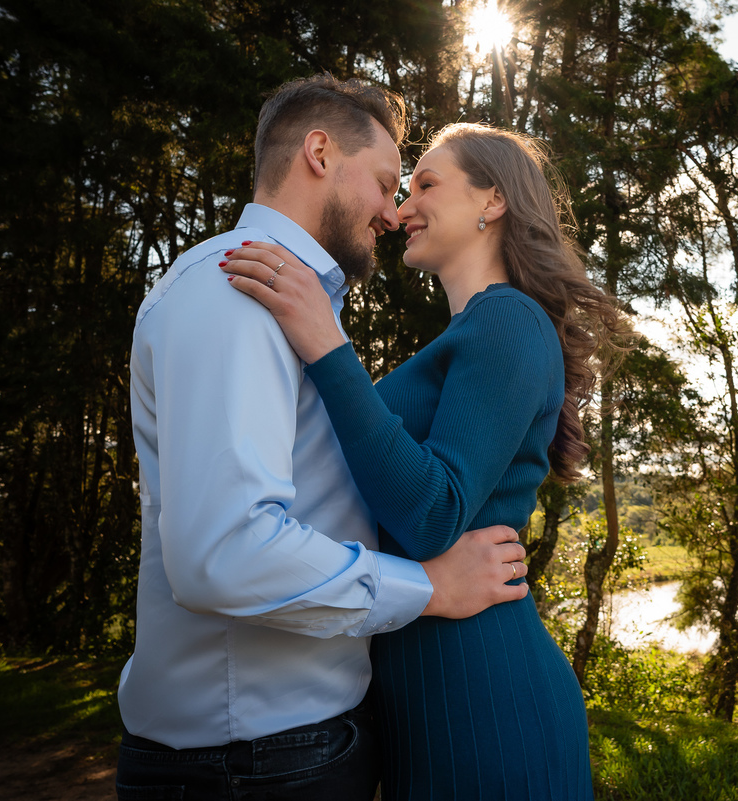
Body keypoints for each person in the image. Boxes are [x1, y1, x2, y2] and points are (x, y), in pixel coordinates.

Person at [115, 76, 531, 801]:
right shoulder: (236, 290)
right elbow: (225, 554)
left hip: (285, 752)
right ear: (319, 153)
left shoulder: (291, 303)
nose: (393, 212)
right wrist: (428, 587)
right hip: (249, 762)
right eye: (386, 183)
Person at [220, 122, 631, 800]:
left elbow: (433, 513)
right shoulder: (472, 333)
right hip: (429, 705)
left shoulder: (507, 318)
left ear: (492, 200)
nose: (402, 208)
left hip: (487, 705)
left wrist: (327, 347)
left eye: (426, 186)